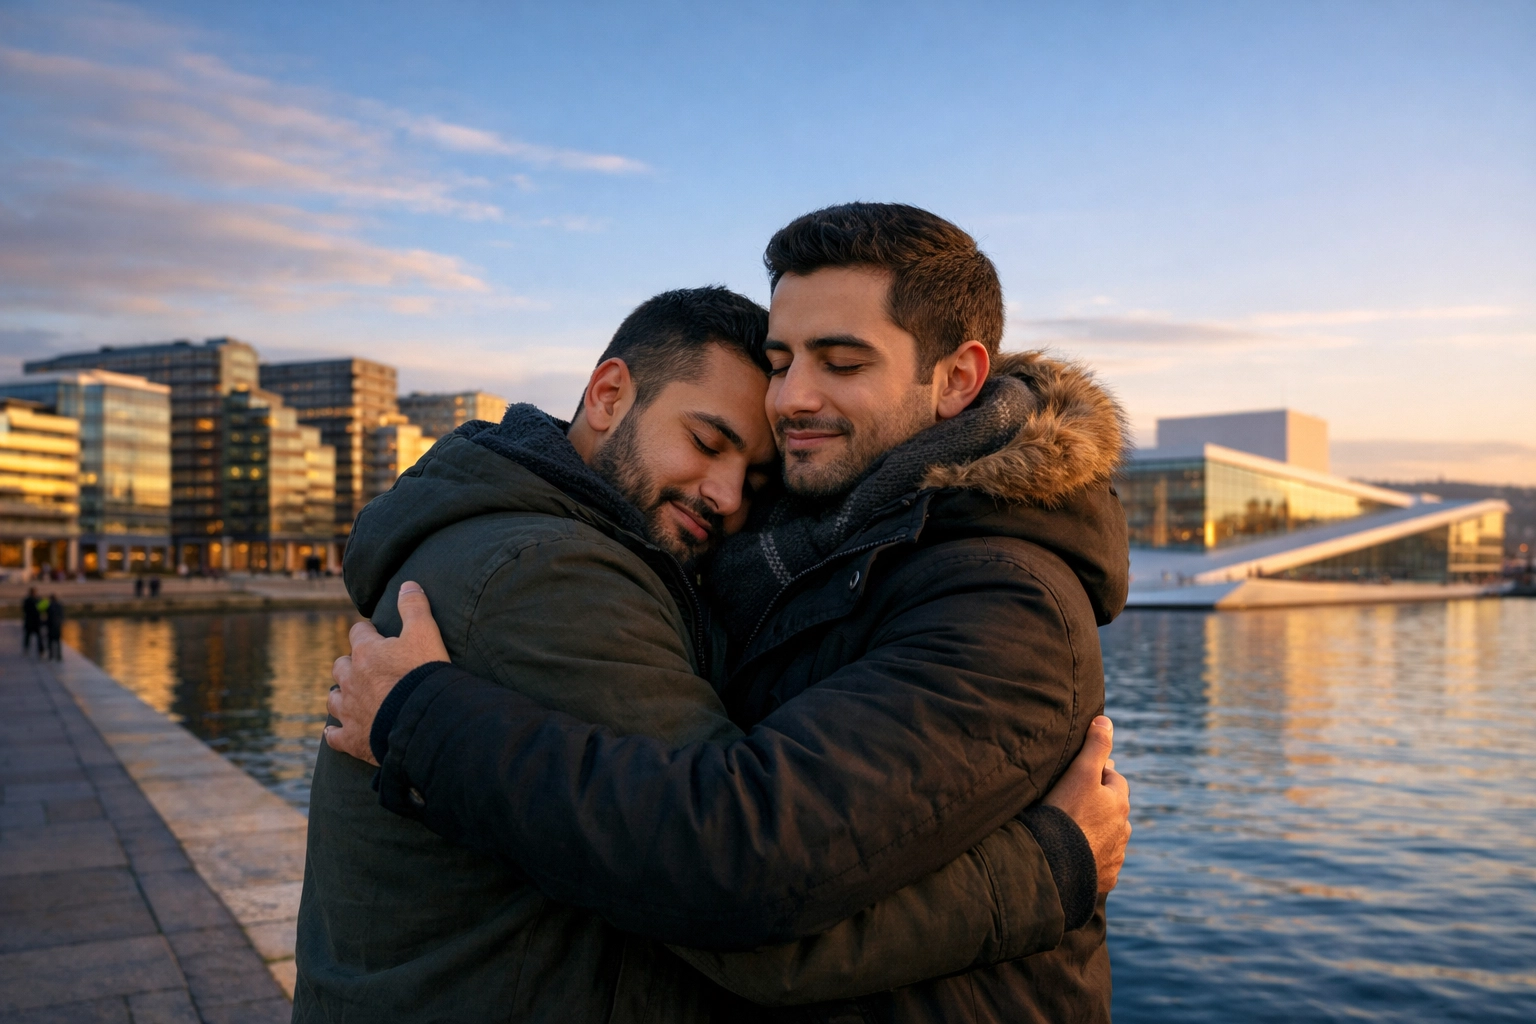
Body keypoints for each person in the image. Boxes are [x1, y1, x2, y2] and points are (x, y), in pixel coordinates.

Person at [327, 203, 1132, 1022]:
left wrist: (418, 721)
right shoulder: (575, 567)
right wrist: (1048, 866)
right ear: (606, 394)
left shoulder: (999, 597)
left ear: (957, 377)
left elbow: (737, 869)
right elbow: (729, 865)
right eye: (782, 363)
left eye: (842, 362)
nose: (793, 399)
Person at [21, 587, 40, 655]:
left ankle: (27, 649)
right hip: (35, 621)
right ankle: (40, 651)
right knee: (33, 637)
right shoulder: (37, 600)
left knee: (28, 637)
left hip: (30, 621)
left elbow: (24, 609)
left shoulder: (27, 600)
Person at [43, 594, 63, 661]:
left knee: (50, 641)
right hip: (57, 626)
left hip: (51, 626)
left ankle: (51, 655)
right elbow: (61, 616)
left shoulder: (49, 606)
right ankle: (59, 656)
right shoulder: (59, 605)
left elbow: (43, 611)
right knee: (58, 641)